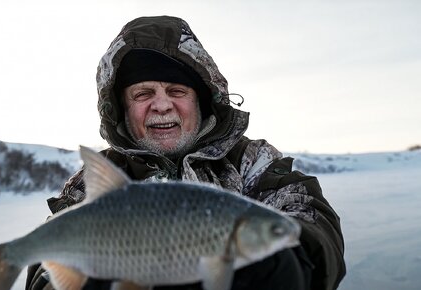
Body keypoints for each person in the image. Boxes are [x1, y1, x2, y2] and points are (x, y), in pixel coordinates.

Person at [26, 16, 345, 290]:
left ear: (201, 101)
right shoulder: (91, 183)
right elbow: (45, 260)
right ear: (123, 108)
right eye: (143, 93)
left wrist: (293, 262)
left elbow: (310, 219)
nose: (162, 105)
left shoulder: (251, 162)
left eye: (177, 91)